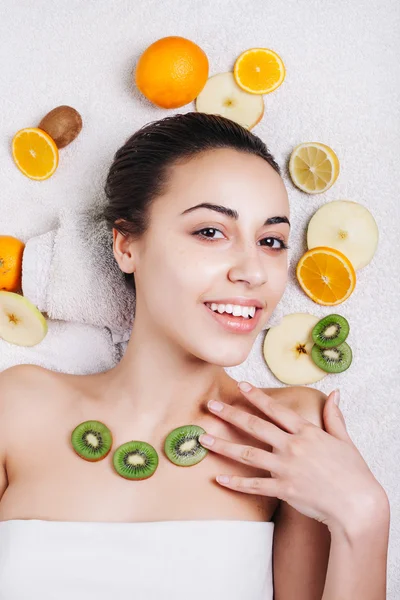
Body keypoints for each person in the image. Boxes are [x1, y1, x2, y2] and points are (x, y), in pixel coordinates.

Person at [0, 112, 389, 600]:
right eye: (210, 232)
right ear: (126, 245)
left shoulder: (290, 431)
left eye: (270, 241)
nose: (253, 271)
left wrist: (366, 517)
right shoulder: (17, 405)